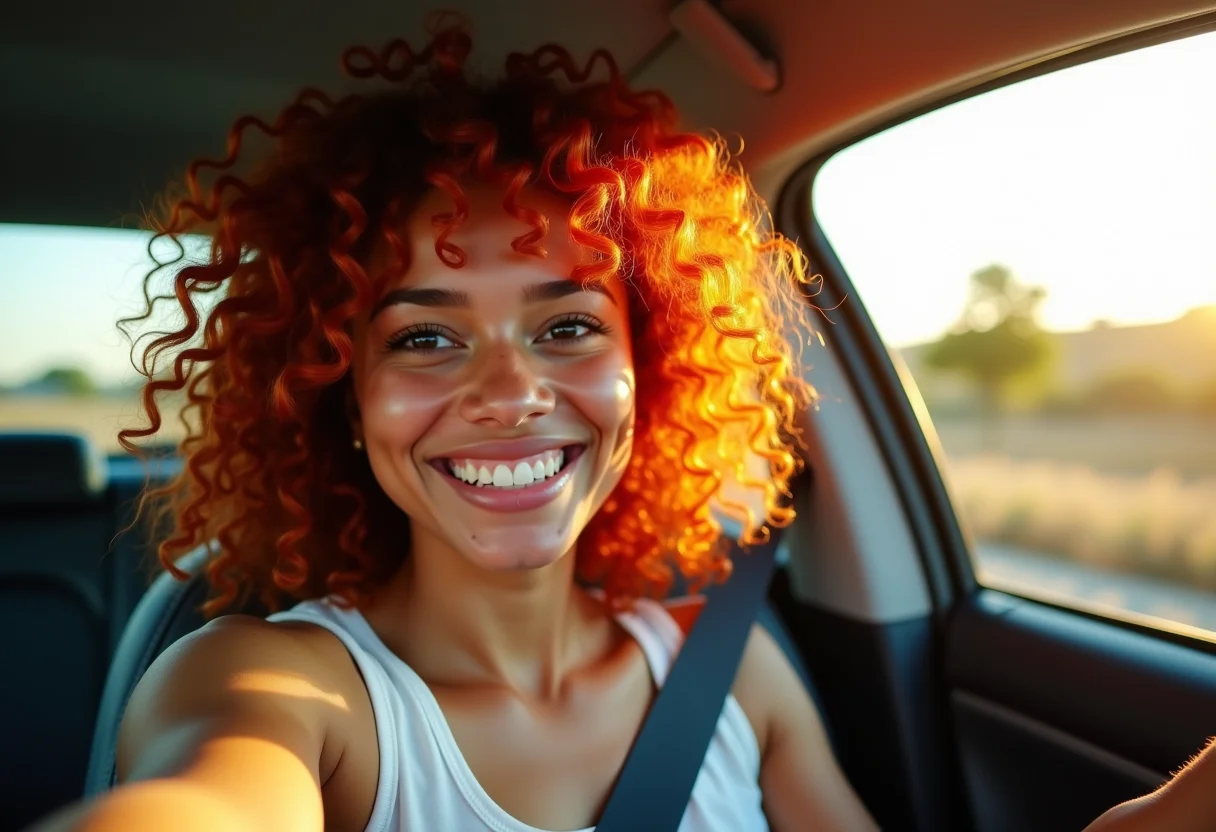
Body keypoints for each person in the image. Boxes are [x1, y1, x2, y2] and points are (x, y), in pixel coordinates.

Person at [26, 17, 879, 832]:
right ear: (345, 396)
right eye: (425, 337)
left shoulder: (734, 677)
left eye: (568, 326)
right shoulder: (271, 689)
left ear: (644, 370)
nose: (509, 395)